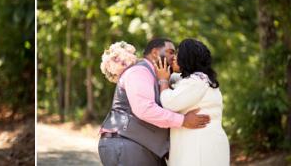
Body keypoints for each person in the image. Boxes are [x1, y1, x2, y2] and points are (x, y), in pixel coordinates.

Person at [97, 38, 211, 166]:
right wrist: (183, 120)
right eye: (170, 52)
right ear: (156, 52)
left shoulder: (158, 76)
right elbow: (145, 109)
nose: (174, 57)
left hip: (143, 148)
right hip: (128, 144)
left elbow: (188, 81)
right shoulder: (139, 71)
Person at [154, 39, 230, 166]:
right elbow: (177, 80)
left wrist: (163, 81)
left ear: (187, 58)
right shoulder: (200, 78)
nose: (174, 58)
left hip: (200, 145)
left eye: (178, 54)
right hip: (202, 142)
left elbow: (169, 102)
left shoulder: (196, 82)